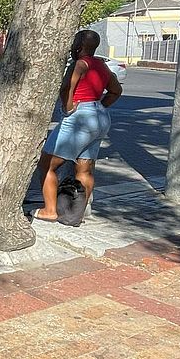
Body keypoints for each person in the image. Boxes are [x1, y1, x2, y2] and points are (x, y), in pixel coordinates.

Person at [33, 29, 122, 222]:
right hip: (100, 116)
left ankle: (50, 210)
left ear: (80, 46)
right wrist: (99, 106)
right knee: (85, 167)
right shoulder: (102, 65)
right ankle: (78, 213)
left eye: (74, 43)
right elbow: (116, 90)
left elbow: (66, 87)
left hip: (80, 117)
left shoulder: (79, 64)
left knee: (47, 164)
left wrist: (69, 107)